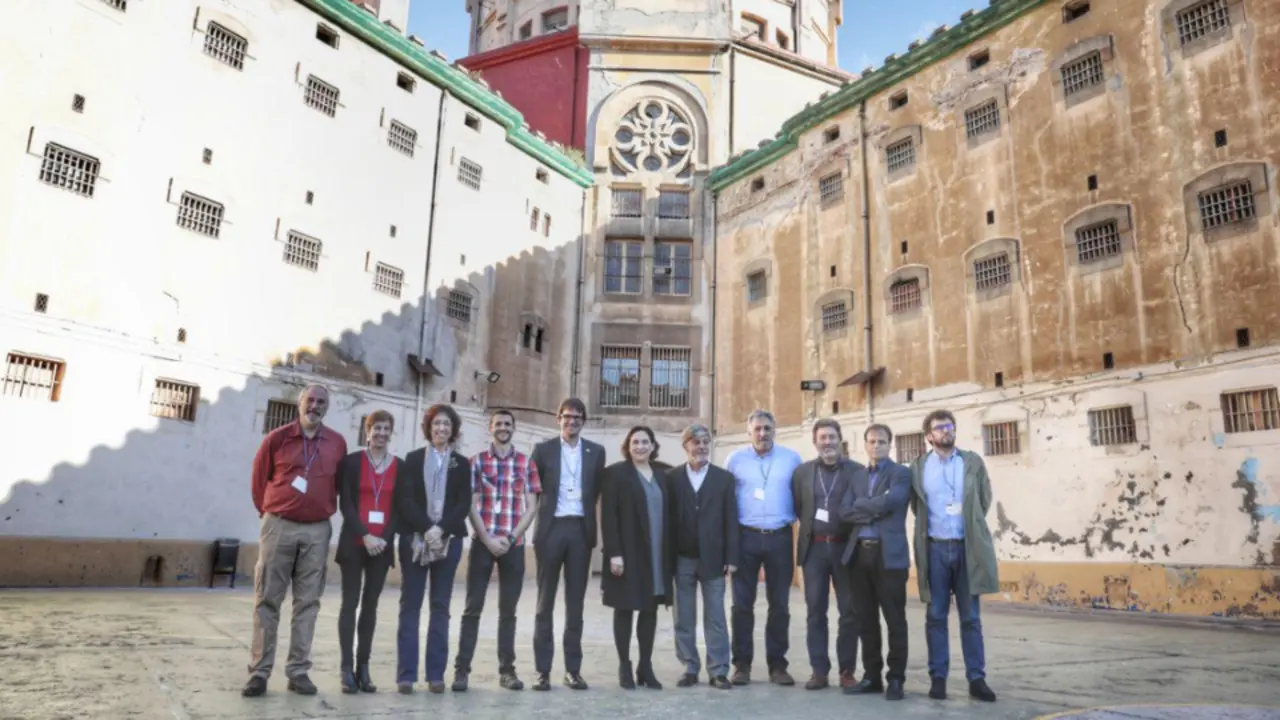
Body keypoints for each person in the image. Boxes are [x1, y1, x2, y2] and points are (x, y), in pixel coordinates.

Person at [244, 383, 348, 697]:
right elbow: (258, 481)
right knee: (267, 599)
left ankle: (298, 671)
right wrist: (270, 514)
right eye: (310, 400)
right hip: (279, 526)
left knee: (308, 603)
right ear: (299, 404)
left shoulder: (337, 443)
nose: (314, 406)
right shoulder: (276, 439)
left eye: (321, 402)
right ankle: (259, 673)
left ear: (327, 408)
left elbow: (339, 485)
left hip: (318, 530)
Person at [910, 410, 999, 703]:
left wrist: (970, 525)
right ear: (929, 436)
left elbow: (984, 498)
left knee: (970, 617)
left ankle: (977, 679)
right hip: (934, 548)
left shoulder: (971, 462)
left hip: (965, 546)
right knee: (935, 616)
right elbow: (916, 505)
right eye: (939, 427)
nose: (946, 431)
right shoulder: (919, 467)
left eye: (949, 426)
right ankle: (938, 678)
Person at [452, 409, 541, 692]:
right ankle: (461, 670)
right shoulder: (475, 462)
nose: (503, 427)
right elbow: (470, 504)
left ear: (514, 428)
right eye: (498, 424)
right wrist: (487, 538)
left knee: (508, 611)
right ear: (490, 428)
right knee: (472, 608)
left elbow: (532, 507)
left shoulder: (527, 464)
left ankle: (507, 671)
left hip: (513, 545)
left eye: (507, 424)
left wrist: (513, 536)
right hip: (482, 544)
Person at [395, 404, 472, 694]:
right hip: (415, 540)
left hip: (448, 542)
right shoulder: (413, 459)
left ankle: (436, 675)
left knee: (440, 607)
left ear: (453, 430)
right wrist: (427, 528)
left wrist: (441, 530)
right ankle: (406, 675)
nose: (442, 429)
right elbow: (405, 500)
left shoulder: (461, 464)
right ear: (429, 428)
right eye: (437, 424)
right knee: (410, 606)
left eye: (447, 424)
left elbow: (462, 503)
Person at [529, 398, 606, 691]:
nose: (572, 421)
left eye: (577, 417)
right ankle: (542, 671)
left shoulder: (596, 452)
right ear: (557, 418)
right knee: (543, 604)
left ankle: (573, 670)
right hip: (551, 531)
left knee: (575, 605)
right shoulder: (543, 450)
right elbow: (533, 491)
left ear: (584, 421)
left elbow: (596, 491)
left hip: (580, 532)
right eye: (567, 416)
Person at [725, 409, 803, 686]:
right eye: (757, 429)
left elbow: (802, 495)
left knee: (779, 605)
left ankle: (778, 666)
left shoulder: (791, 459)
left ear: (775, 430)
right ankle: (741, 665)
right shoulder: (734, 460)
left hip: (780, 536)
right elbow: (726, 501)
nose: (762, 434)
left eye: (767, 428)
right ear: (749, 432)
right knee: (741, 605)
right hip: (745, 536)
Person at [839, 424, 912, 701]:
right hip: (860, 555)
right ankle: (872, 677)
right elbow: (844, 512)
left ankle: (896, 680)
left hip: (889, 556)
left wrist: (863, 505)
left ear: (889, 444)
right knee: (866, 620)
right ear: (865, 445)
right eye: (872, 441)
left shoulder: (901, 473)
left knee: (895, 620)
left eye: (882, 441)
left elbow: (893, 501)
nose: (876, 445)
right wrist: (874, 506)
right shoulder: (857, 477)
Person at [601, 426, 675, 690]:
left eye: (646, 442)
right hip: (628, 552)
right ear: (627, 446)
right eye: (635, 442)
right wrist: (614, 553)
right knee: (624, 608)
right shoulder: (615, 474)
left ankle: (646, 665)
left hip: (656, 553)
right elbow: (608, 517)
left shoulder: (663, 476)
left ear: (653, 445)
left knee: (650, 609)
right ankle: (624, 666)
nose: (641, 446)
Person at [335, 411, 402, 694]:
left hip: (382, 547)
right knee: (349, 603)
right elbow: (346, 504)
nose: (381, 433)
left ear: (391, 432)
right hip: (354, 542)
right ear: (368, 431)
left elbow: (399, 509)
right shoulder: (351, 462)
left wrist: (383, 539)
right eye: (376, 428)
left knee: (371, 605)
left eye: (386, 428)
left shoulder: (400, 466)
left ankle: (364, 667)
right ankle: (346, 667)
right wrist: (365, 534)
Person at [667, 423, 738, 690]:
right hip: (682, 558)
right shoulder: (672, 478)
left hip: (714, 559)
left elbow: (731, 519)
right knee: (683, 616)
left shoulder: (723, 479)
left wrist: (731, 557)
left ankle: (719, 670)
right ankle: (689, 666)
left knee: (716, 617)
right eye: (696, 442)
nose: (702, 447)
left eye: (706, 442)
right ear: (686, 446)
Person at [791, 418, 860, 691]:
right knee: (815, 611)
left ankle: (847, 671)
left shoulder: (857, 472)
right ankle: (819, 671)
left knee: (849, 612)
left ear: (839, 439)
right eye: (822, 437)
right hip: (815, 550)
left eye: (832, 437)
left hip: (846, 549)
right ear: (815, 441)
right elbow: (799, 508)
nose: (827, 442)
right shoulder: (802, 473)